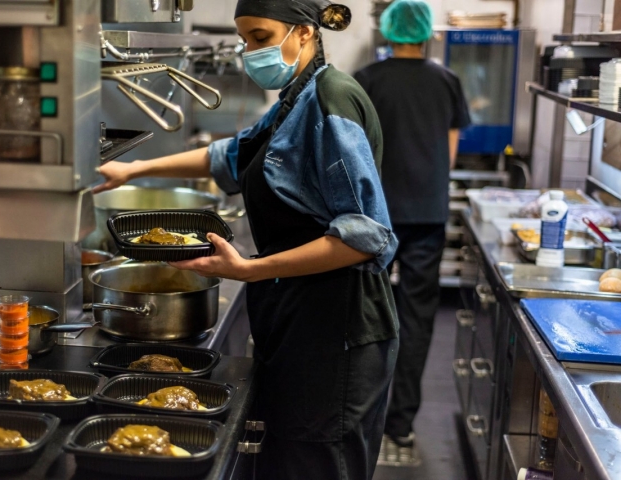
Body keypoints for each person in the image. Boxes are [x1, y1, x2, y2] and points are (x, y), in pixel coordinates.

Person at [94, 1, 399, 478]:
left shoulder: (331, 100)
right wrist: (134, 168)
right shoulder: (297, 100)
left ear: (304, 33)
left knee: (317, 463)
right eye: (245, 40)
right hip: (299, 319)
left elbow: (365, 236)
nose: (249, 52)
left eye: (260, 38)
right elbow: (232, 156)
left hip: (337, 328)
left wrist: (249, 270)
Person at [353, 0, 471, 466]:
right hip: (426, 216)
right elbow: (451, 150)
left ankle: (366, 421)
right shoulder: (447, 81)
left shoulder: (367, 80)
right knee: (417, 321)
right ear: (427, 34)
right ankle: (400, 427)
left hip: (373, 218)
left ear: (387, 31)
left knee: (365, 318)